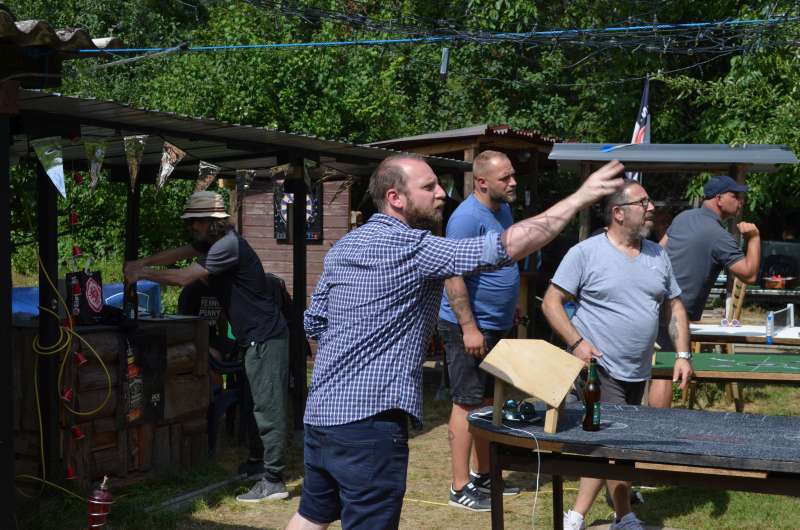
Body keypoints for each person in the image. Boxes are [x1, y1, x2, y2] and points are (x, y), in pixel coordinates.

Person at [286, 154, 625, 530]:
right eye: (428, 187)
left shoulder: (344, 247)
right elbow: (505, 248)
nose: (441, 194)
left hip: (322, 414)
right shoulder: (414, 247)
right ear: (396, 198)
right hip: (370, 424)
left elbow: (314, 323)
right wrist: (579, 198)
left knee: (312, 514)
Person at [542, 179, 693, 530]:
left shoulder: (657, 255)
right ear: (618, 213)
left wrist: (683, 354)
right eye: (643, 202)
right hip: (598, 368)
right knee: (615, 442)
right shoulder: (586, 253)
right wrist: (577, 343)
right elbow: (551, 302)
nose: (651, 208)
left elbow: (674, 308)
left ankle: (579, 516)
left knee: (611, 442)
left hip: (637, 370)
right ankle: (622, 516)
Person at [124, 191, 291, 503]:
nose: (192, 228)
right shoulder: (214, 242)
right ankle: (259, 465)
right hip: (254, 336)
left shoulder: (227, 246)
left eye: (195, 222)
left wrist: (142, 273)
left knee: (268, 408)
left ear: (211, 222)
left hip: (266, 336)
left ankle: (274, 480)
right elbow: (179, 253)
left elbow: (183, 277)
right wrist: (143, 261)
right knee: (256, 404)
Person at [437, 150, 521, 511]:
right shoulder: (465, 218)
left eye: (513, 175)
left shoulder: (502, 210)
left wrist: (511, 305)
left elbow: (503, 257)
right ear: (482, 182)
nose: (513, 182)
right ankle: (459, 487)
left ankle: (485, 475)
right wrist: (469, 327)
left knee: (488, 402)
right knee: (467, 401)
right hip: (469, 326)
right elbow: (451, 274)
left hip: (496, 323)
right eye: (505, 178)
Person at [648, 175, 760, 408]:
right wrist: (754, 238)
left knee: (659, 365)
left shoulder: (683, 217)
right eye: (735, 196)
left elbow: (659, 251)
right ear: (719, 199)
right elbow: (749, 274)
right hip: (672, 310)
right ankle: (657, 422)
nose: (740, 201)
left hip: (652, 298)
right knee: (665, 370)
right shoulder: (717, 235)